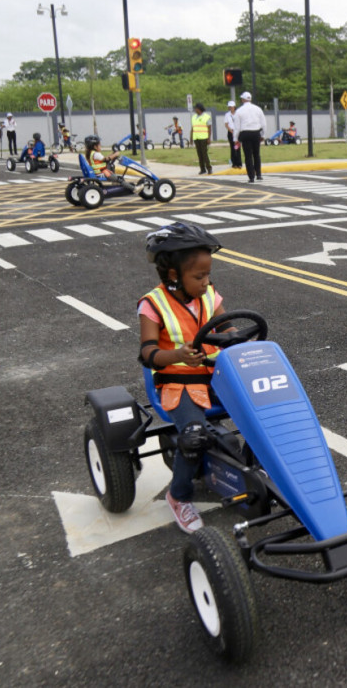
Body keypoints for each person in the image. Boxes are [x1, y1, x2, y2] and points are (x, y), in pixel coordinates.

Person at [138, 222, 228, 533]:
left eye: (208, 275)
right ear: (174, 275)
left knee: (269, 407)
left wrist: (245, 341)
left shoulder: (209, 295)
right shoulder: (152, 305)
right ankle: (179, 496)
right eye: (199, 276)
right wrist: (176, 355)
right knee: (194, 436)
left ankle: (251, 467)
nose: (206, 282)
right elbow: (148, 353)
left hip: (216, 376)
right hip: (179, 382)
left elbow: (228, 328)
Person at [234, 91, 266, 182]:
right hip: (256, 133)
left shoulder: (239, 111)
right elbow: (264, 123)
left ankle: (251, 177)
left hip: (245, 134)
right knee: (256, 154)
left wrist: (236, 139)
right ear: (250, 99)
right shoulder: (258, 109)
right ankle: (259, 174)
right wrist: (263, 135)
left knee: (248, 156)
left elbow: (237, 127)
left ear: (243, 99)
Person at [190, 103, 212, 175]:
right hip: (196, 138)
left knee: (204, 154)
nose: (195, 110)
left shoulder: (206, 117)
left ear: (199, 109)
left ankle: (209, 168)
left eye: (196, 108)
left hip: (204, 138)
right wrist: (191, 138)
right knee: (199, 155)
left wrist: (209, 138)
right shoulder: (194, 117)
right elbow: (192, 128)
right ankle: (202, 169)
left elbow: (209, 128)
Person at [223, 100, 242, 169]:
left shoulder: (238, 114)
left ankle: (239, 163)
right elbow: (226, 124)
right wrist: (231, 130)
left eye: (232, 107)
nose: (231, 108)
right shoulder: (227, 115)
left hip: (237, 132)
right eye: (229, 107)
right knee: (232, 148)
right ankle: (234, 163)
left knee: (237, 147)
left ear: (234, 107)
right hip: (231, 132)